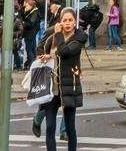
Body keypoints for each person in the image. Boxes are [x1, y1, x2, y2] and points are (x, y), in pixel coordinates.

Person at [37, 8, 86, 151]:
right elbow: (41, 48)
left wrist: (58, 34)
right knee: (50, 127)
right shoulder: (54, 34)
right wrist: (45, 56)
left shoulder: (79, 37)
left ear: (75, 22)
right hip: (52, 86)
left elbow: (65, 52)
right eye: (64, 20)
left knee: (70, 128)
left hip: (69, 86)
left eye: (70, 20)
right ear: (60, 22)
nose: (68, 23)